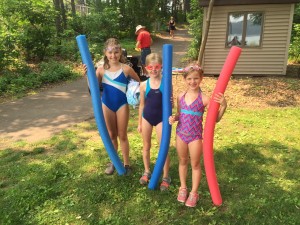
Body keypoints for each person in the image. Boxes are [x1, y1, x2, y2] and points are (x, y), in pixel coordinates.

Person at [169, 63, 227, 207]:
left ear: (201, 79)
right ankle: (183, 188)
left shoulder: (205, 99)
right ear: (185, 79)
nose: (192, 82)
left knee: (195, 164)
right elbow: (179, 114)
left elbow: (216, 119)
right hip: (181, 134)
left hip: (195, 136)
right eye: (189, 79)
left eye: (196, 78)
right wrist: (174, 118)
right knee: (182, 161)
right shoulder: (180, 96)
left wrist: (223, 106)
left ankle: (194, 192)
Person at [84, 38, 140, 175]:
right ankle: (113, 162)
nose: (113, 55)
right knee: (111, 135)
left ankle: (126, 164)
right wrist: (87, 74)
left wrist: (135, 94)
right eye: (110, 52)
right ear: (105, 53)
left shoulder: (126, 69)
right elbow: (93, 88)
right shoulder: (101, 70)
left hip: (122, 105)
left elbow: (139, 83)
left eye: (116, 52)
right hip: (107, 105)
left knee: (122, 135)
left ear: (120, 52)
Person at [137, 53, 171, 191]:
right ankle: (147, 171)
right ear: (146, 68)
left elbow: (170, 103)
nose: (154, 70)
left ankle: (166, 176)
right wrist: (139, 122)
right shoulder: (144, 85)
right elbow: (141, 105)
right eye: (151, 67)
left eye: (157, 67)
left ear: (161, 66)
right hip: (147, 118)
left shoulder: (166, 83)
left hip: (161, 120)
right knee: (146, 146)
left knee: (163, 147)